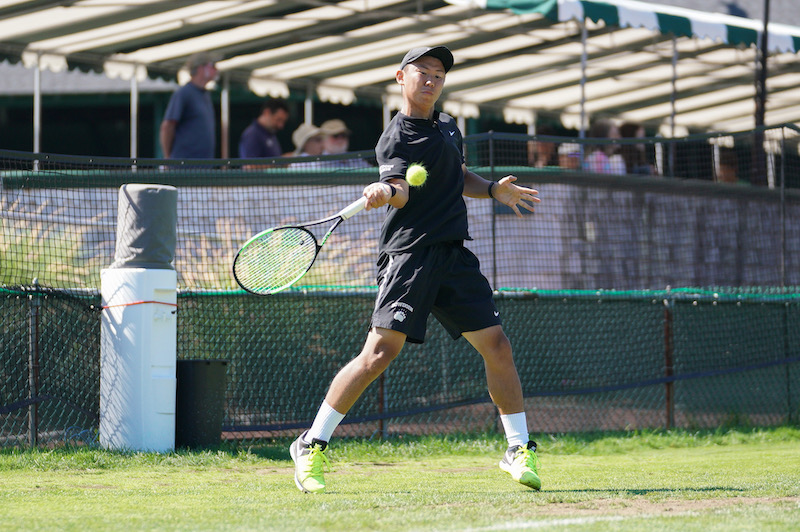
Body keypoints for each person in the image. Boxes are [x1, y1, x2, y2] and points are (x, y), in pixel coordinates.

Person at [289, 45, 542, 494]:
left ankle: (517, 449)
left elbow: (456, 177)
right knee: (379, 355)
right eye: (422, 72)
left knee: (498, 347)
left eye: (438, 75)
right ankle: (311, 444)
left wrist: (492, 191)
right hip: (410, 256)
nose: (430, 80)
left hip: (454, 256)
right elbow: (402, 187)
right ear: (400, 78)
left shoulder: (449, 127)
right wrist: (385, 192)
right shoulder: (395, 137)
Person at [159, 53, 218, 159]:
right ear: (200, 68)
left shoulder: (205, 94)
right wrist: (168, 158)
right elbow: (167, 126)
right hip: (185, 167)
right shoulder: (183, 93)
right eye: (212, 65)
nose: (216, 70)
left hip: (203, 167)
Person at [238, 99, 290, 165]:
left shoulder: (271, 134)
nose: (280, 125)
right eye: (278, 120)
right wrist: (280, 162)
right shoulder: (251, 135)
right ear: (267, 112)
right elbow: (249, 167)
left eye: (283, 122)